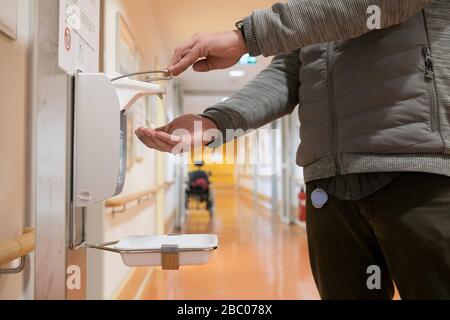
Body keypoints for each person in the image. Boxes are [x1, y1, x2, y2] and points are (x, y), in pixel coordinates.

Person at [135, 0, 450, 300]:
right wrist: (215, 122)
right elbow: (289, 71)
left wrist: (246, 37)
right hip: (327, 181)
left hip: (420, 169)